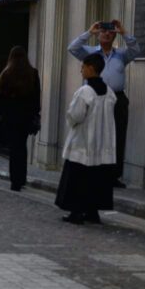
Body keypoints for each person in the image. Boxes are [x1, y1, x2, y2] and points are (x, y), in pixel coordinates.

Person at [68, 19, 140, 187]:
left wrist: (124, 32)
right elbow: (72, 48)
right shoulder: (90, 53)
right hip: (95, 98)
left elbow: (136, 50)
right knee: (95, 134)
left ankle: (114, 175)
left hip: (117, 99)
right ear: (98, 34)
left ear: (114, 35)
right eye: (103, 31)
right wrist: (89, 32)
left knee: (117, 136)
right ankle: (94, 170)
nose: (107, 34)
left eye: (110, 31)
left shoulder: (121, 54)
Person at [56, 53, 117, 224]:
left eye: (83, 66)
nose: (81, 70)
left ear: (91, 68)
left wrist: (71, 120)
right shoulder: (109, 92)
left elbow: (75, 115)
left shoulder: (85, 91)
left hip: (83, 142)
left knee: (78, 178)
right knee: (96, 178)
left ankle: (76, 212)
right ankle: (92, 211)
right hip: (102, 142)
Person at [0, 46, 41, 192]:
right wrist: (35, 113)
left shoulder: (6, 73)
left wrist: (1, 114)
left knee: (14, 148)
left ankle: (15, 180)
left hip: (11, 115)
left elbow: (0, 96)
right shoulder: (33, 73)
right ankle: (22, 178)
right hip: (26, 115)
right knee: (22, 146)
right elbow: (36, 97)